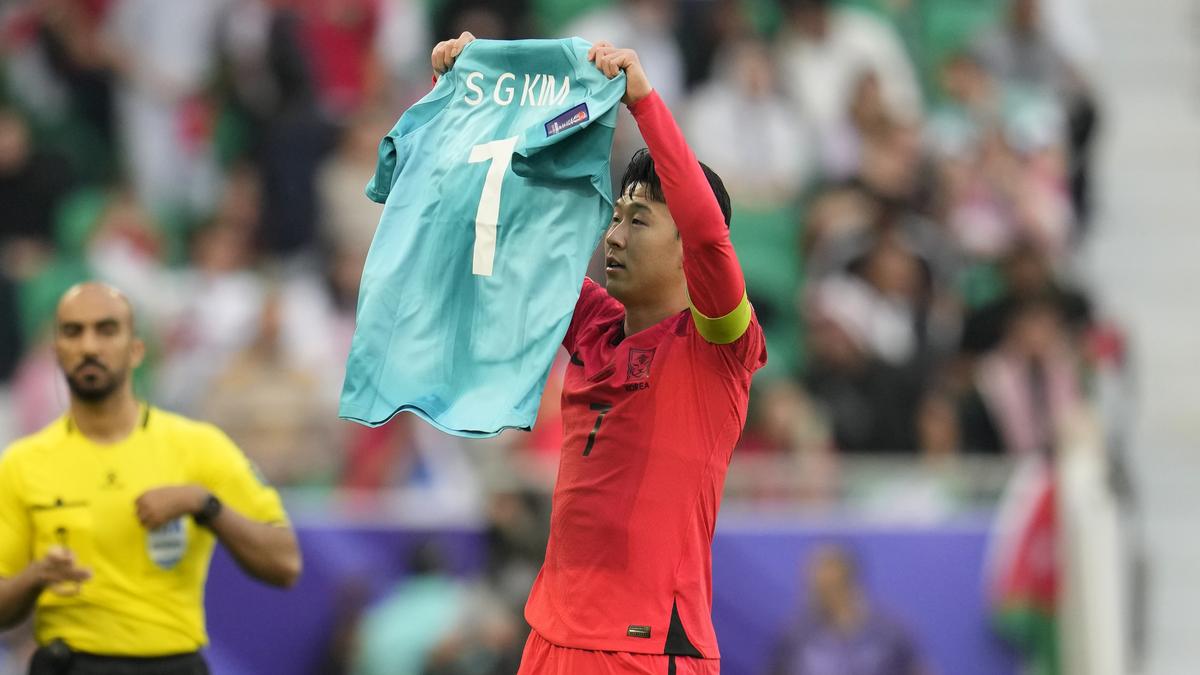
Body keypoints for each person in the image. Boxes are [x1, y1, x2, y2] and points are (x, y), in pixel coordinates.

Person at [432, 31, 768, 674]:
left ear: (687, 250)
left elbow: (707, 232)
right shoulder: (590, 322)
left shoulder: (718, 346)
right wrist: (469, 96)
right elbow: (497, 221)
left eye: (638, 221)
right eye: (615, 217)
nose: (613, 236)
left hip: (646, 649)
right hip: (549, 639)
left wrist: (644, 103)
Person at [0, 282, 301, 674]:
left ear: (136, 349)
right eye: (73, 332)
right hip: (70, 664)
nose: (89, 346)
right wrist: (35, 576)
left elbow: (285, 563)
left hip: (172, 665)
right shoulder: (22, 464)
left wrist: (206, 506)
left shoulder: (198, 447)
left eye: (107, 330)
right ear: (57, 352)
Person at [770, 545, 924, 675]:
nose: (814, 592)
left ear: (848, 583)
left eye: (827, 585)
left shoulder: (889, 631)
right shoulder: (795, 634)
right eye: (812, 584)